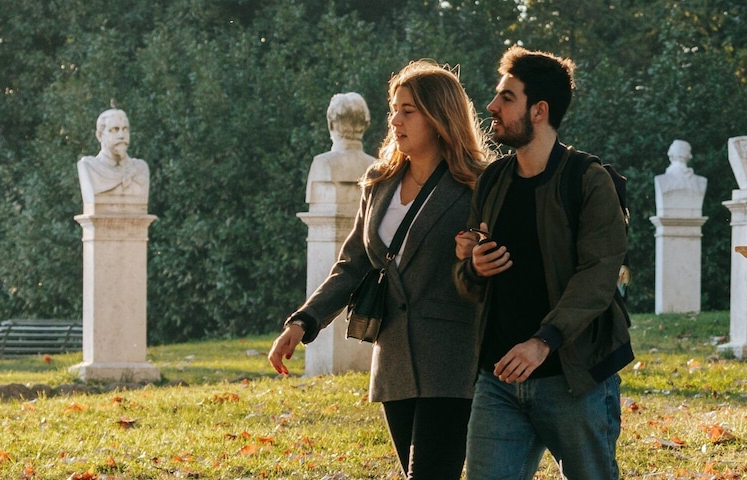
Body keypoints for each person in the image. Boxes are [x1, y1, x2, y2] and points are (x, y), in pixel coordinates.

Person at [268, 60, 492, 480]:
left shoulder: (477, 185)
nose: (395, 120)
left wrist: (475, 256)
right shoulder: (379, 181)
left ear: (440, 115)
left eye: (408, 110)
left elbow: (497, 268)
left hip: (453, 357)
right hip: (392, 357)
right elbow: (353, 265)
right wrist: (303, 322)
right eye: (394, 108)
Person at [455, 46, 633, 480]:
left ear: (539, 110)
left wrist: (543, 341)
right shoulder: (492, 181)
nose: (492, 107)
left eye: (506, 97)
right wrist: (473, 266)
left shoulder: (589, 181)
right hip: (498, 380)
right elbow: (467, 281)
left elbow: (598, 277)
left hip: (574, 380)